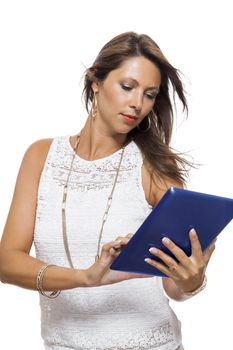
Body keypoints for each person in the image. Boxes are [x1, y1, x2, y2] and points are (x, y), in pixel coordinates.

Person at [0, 31, 216, 350]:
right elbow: (7, 263)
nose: (137, 103)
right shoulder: (40, 156)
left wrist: (191, 280)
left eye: (149, 94)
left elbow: (175, 286)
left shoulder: (154, 168)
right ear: (95, 81)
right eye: (127, 87)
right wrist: (87, 278)